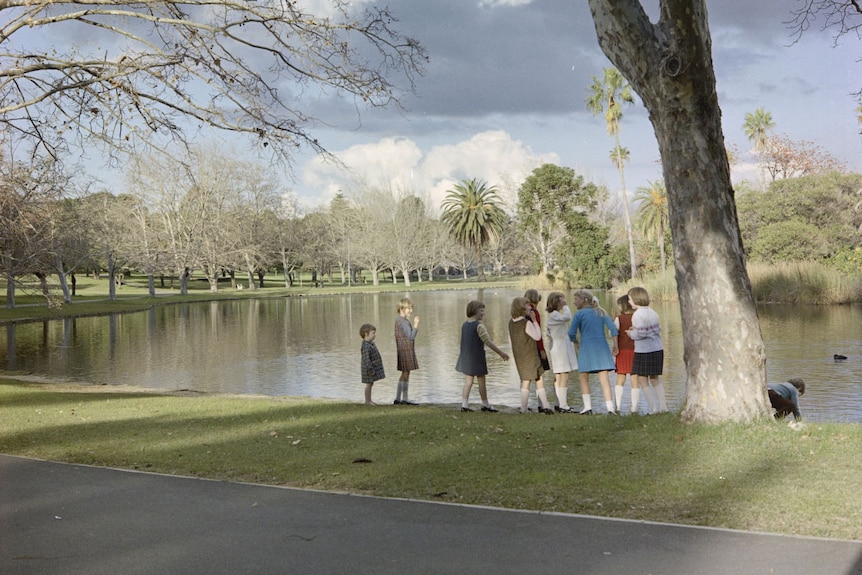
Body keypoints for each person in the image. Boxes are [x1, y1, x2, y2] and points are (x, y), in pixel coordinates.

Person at [568, 289, 618, 414]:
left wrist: (575, 341)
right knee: (604, 379)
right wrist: (615, 345)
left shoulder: (579, 314)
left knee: (584, 377)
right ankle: (610, 408)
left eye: (576, 299)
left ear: (584, 300)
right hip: (602, 347)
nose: (574, 302)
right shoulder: (601, 312)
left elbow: (571, 333)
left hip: (586, 348)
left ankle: (587, 407)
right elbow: (613, 329)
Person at [456, 300, 510, 412]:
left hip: (466, 358)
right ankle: (485, 404)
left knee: (468, 382)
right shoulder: (479, 326)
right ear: (475, 311)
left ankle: (464, 405)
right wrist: (501, 353)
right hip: (477, 358)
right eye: (481, 311)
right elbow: (488, 342)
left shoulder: (464, 325)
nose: (483, 313)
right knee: (481, 382)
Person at [509, 296, 553, 414]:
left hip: (520, 356)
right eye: (528, 305)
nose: (530, 307)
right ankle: (536, 407)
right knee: (534, 379)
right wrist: (534, 322)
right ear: (522, 308)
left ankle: (542, 405)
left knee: (529, 379)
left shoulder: (511, 322)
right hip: (530, 355)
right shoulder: (526, 323)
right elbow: (537, 336)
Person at [626, 286, 667, 414]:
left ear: (636, 299)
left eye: (630, 299)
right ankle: (663, 407)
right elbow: (653, 330)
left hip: (644, 351)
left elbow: (641, 334)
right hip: (657, 348)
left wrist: (630, 334)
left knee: (642, 379)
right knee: (655, 378)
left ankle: (653, 408)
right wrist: (637, 330)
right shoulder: (652, 312)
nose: (629, 301)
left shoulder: (637, 315)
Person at [545, 291, 578, 413]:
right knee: (564, 374)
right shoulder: (554, 315)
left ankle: (560, 403)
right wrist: (566, 306)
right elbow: (568, 317)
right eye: (562, 300)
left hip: (560, 346)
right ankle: (563, 405)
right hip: (560, 347)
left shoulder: (554, 315)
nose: (564, 302)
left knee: (559, 375)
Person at [613, 294, 639, 414]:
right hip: (635, 351)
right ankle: (634, 408)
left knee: (620, 378)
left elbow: (612, 333)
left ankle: (617, 406)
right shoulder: (637, 317)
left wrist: (613, 319)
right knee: (635, 379)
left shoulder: (619, 319)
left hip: (622, 351)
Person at [393, 297, 420, 405]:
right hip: (406, 350)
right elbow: (411, 336)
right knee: (406, 374)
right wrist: (416, 324)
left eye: (411, 308)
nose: (411, 310)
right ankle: (404, 399)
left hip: (401, 350)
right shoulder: (403, 322)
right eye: (409, 308)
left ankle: (398, 398)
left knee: (404, 373)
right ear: (402, 308)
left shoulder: (398, 320)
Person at [359, 323, 385, 405]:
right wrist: (371, 369)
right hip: (368, 369)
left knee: (371, 383)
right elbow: (366, 359)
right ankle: (367, 401)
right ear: (366, 334)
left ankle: (369, 400)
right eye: (373, 333)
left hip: (371, 367)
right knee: (369, 384)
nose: (375, 335)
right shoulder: (366, 346)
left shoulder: (370, 343)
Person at [524, 289, 549, 371]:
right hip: (535, 345)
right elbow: (538, 332)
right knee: (540, 371)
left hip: (525, 345)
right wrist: (542, 350)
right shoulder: (534, 312)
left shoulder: (522, 311)